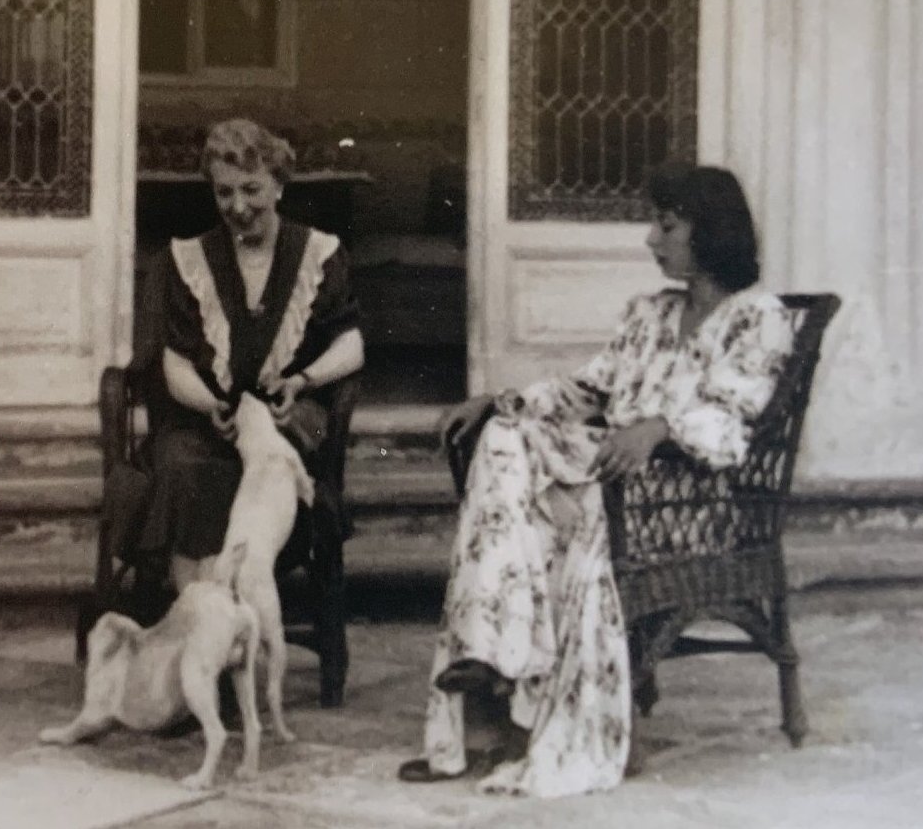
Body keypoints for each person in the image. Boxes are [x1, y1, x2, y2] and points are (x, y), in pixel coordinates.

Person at [397, 164, 794, 797]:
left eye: (665, 226)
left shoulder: (759, 318)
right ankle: (489, 651)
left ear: (711, 231)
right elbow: (589, 389)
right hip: (611, 483)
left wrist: (659, 428)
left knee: (547, 516)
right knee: (502, 434)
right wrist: (500, 400)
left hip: (689, 499)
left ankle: (498, 660)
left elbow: (738, 415)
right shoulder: (649, 313)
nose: (649, 240)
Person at [140, 119, 364, 592]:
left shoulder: (318, 255)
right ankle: (203, 614)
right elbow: (175, 363)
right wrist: (210, 405)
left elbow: (352, 344)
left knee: (273, 464)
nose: (238, 207)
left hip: (284, 419)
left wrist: (302, 381)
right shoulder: (190, 260)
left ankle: (250, 602)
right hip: (209, 422)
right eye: (224, 193)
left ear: (279, 185)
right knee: (182, 466)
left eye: (251, 189)